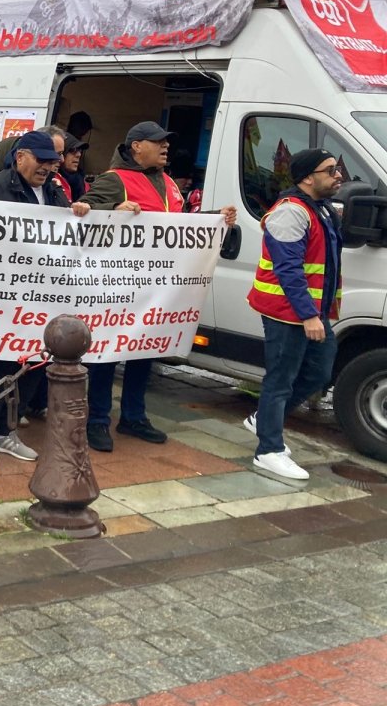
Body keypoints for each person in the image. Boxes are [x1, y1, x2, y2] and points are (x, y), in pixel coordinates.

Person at [71, 121, 237, 452]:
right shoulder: (115, 180)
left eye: (166, 142)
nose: (166, 147)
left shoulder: (169, 183)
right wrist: (112, 209)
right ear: (136, 146)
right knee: (105, 354)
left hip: (156, 290)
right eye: (158, 142)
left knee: (144, 352)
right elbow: (80, 213)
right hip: (118, 288)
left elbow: (178, 225)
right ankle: (97, 420)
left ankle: (133, 417)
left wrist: (214, 217)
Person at [0, 131, 69, 464]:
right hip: (1, 299)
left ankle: (6, 432)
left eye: (52, 162)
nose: (47, 168)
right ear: (21, 157)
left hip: (41, 298)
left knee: (33, 366)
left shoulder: (53, 191)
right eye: (42, 160)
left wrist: (79, 212)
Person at [245, 148, 343, 481]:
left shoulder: (320, 208)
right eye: (330, 170)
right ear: (307, 178)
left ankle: (263, 420)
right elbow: (288, 269)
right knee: (280, 379)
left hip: (310, 311)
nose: (338, 175)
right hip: (287, 312)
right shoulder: (291, 212)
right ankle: (268, 450)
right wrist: (308, 315)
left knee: (320, 371)